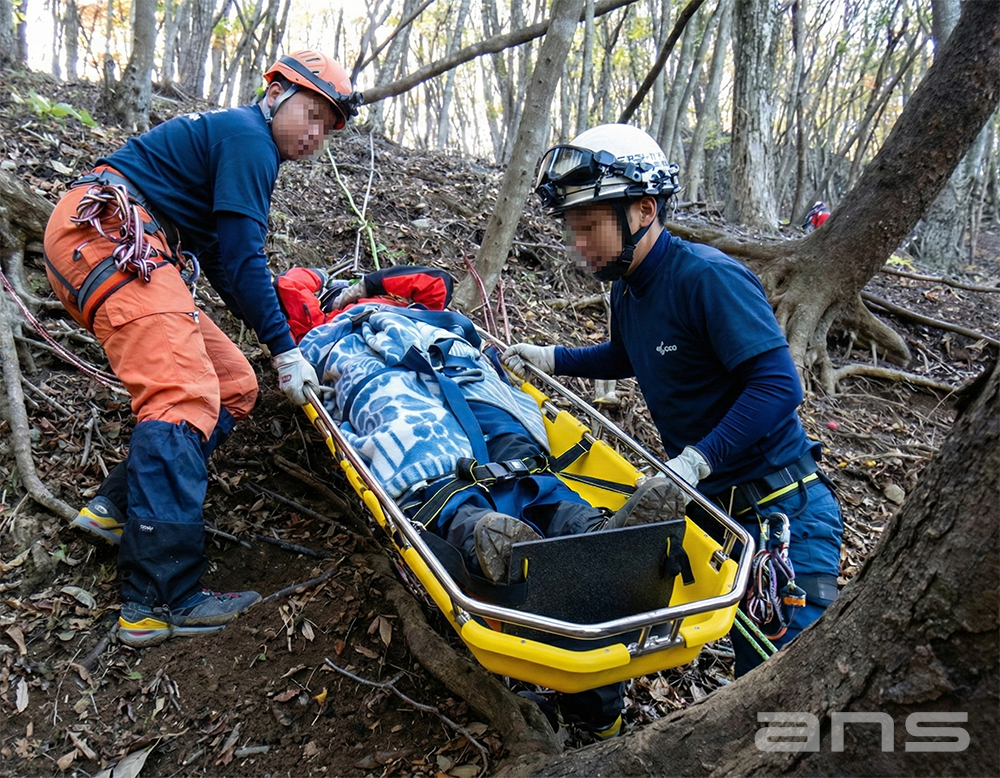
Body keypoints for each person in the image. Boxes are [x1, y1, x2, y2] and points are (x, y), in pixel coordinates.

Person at [274, 264, 687, 740]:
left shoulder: (410, 307)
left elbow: (436, 282)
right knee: (421, 447)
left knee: (519, 453)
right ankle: (486, 533)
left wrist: (368, 285)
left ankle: (586, 532)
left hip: (450, 362)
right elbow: (289, 289)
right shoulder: (316, 325)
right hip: (378, 374)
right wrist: (331, 299)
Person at [43, 51, 362, 648]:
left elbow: (223, 263)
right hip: (109, 235)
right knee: (183, 399)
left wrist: (279, 346)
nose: (316, 135)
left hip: (120, 245)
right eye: (312, 114)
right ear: (277, 94)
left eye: (328, 127)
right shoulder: (249, 139)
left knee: (233, 388)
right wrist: (286, 351)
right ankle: (159, 600)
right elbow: (244, 260)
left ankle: (117, 508)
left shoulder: (234, 142)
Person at [503, 124, 844, 680]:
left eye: (589, 226)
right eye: (573, 228)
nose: (579, 243)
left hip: (781, 509)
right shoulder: (629, 285)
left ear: (642, 210)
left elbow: (780, 384)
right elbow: (632, 354)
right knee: (749, 672)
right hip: (720, 515)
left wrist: (695, 459)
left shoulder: (707, 278)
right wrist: (551, 357)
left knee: (787, 682)